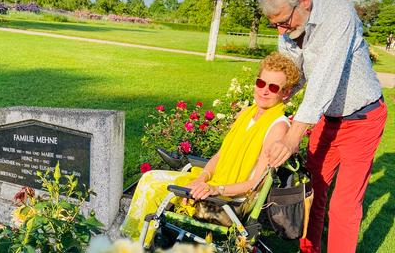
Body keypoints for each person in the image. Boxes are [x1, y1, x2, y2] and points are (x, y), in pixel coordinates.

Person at [258, 0, 387, 253]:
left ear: (304, 0)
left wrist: (293, 138)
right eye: (275, 26)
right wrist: (264, 105)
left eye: (283, 22)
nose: (281, 31)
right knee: (311, 194)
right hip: (327, 121)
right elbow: (294, 77)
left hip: (363, 120)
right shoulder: (290, 32)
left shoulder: (339, 13)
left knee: (343, 205)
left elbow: (325, 79)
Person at [120, 52, 300, 245]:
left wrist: (215, 188)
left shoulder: (277, 127)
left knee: (152, 186)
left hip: (229, 202)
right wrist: (202, 178)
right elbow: (221, 155)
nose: (264, 91)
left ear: (286, 92)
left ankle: (133, 242)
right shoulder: (246, 114)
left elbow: (254, 183)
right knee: (149, 179)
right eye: (260, 83)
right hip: (214, 185)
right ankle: (134, 238)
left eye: (273, 87)